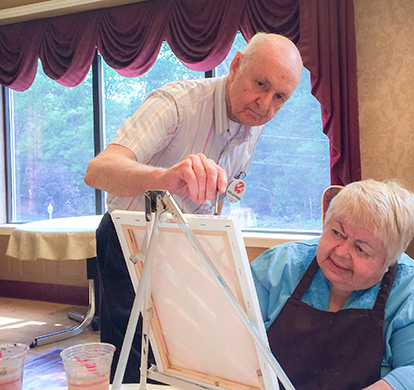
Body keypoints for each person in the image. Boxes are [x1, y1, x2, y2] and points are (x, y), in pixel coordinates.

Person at [84, 32, 303, 382]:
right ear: (235, 65)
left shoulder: (253, 123)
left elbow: (225, 192)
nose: (265, 105)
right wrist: (165, 178)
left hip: (186, 246)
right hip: (130, 242)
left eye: (279, 97)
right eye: (259, 84)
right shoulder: (176, 103)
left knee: (182, 357)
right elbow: (98, 171)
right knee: (133, 359)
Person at [251, 179, 414, 390]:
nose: (341, 252)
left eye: (361, 249)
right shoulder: (281, 265)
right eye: (336, 232)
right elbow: (227, 327)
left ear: (389, 261)